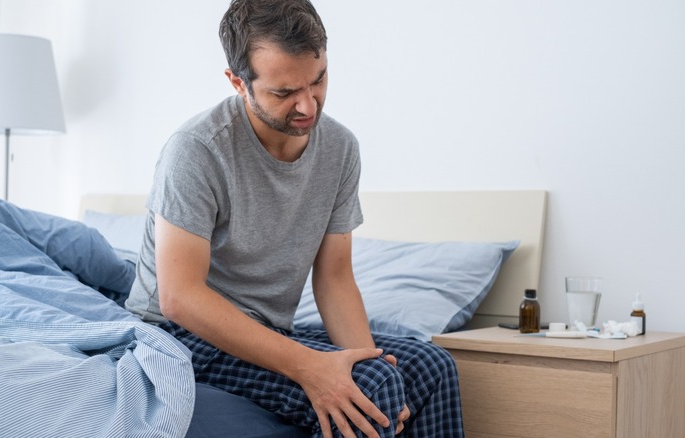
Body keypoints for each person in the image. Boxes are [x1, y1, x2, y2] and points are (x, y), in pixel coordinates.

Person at [125, 0, 464, 436]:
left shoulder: (340, 148)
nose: (308, 106)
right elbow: (179, 297)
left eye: (318, 80)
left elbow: (335, 279)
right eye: (284, 93)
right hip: (179, 335)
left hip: (270, 330)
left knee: (429, 366)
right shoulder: (196, 149)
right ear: (238, 83)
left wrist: (367, 359)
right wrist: (313, 369)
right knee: (371, 387)